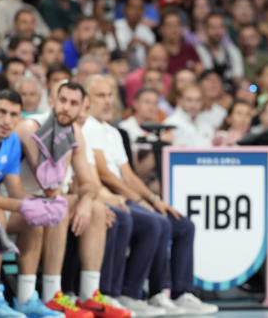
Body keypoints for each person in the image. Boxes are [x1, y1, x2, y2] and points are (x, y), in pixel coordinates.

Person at [82, 75, 216, 315]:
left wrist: (154, 200)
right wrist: (141, 200)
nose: (107, 101)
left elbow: (129, 175)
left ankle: (179, 292)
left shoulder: (112, 132)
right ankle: (128, 293)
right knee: (156, 224)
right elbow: (106, 175)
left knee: (183, 225)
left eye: (110, 95)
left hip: (127, 195)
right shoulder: (88, 127)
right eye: (100, 96)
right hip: (108, 195)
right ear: (87, 100)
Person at [16, 83, 131, 318]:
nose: (66, 108)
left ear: (81, 110)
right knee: (59, 207)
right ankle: (52, 295)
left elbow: (88, 182)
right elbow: (47, 185)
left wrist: (86, 202)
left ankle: (89, 295)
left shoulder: (75, 132)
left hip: (49, 197)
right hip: (19, 198)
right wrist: (74, 200)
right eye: (63, 101)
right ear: (52, 101)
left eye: (73, 103)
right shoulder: (31, 127)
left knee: (97, 209)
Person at [0, 89, 67, 318]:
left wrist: (43, 204)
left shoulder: (13, 142)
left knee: (32, 220)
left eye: (14, 115)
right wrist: (19, 206)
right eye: (2, 112)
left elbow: (16, 189)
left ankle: (27, 298)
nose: (7, 121)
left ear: (20, 117)